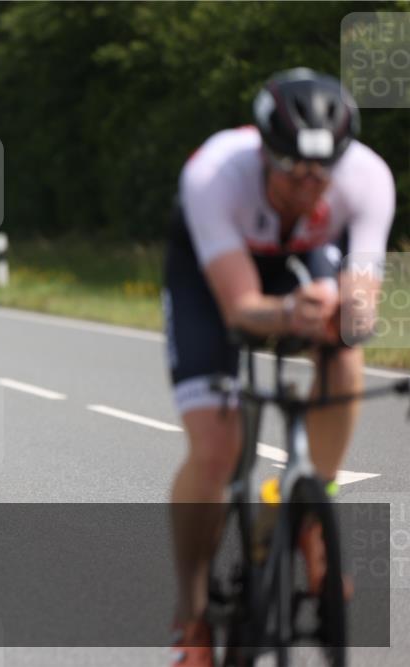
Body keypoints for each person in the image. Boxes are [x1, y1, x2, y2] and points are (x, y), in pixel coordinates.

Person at [162, 68, 394, 665]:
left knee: (345, 349)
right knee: (215, 447)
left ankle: (315, 509)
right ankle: (191, 618)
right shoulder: (214, 174)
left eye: (323, 173)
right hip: (217, 271)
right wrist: (292, 309)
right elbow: (240, 309)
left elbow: (363, 305)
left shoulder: (366, 178)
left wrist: (343, 311)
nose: (309, 187)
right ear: (266, 152)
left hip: (301, 256)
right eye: (294, 171)